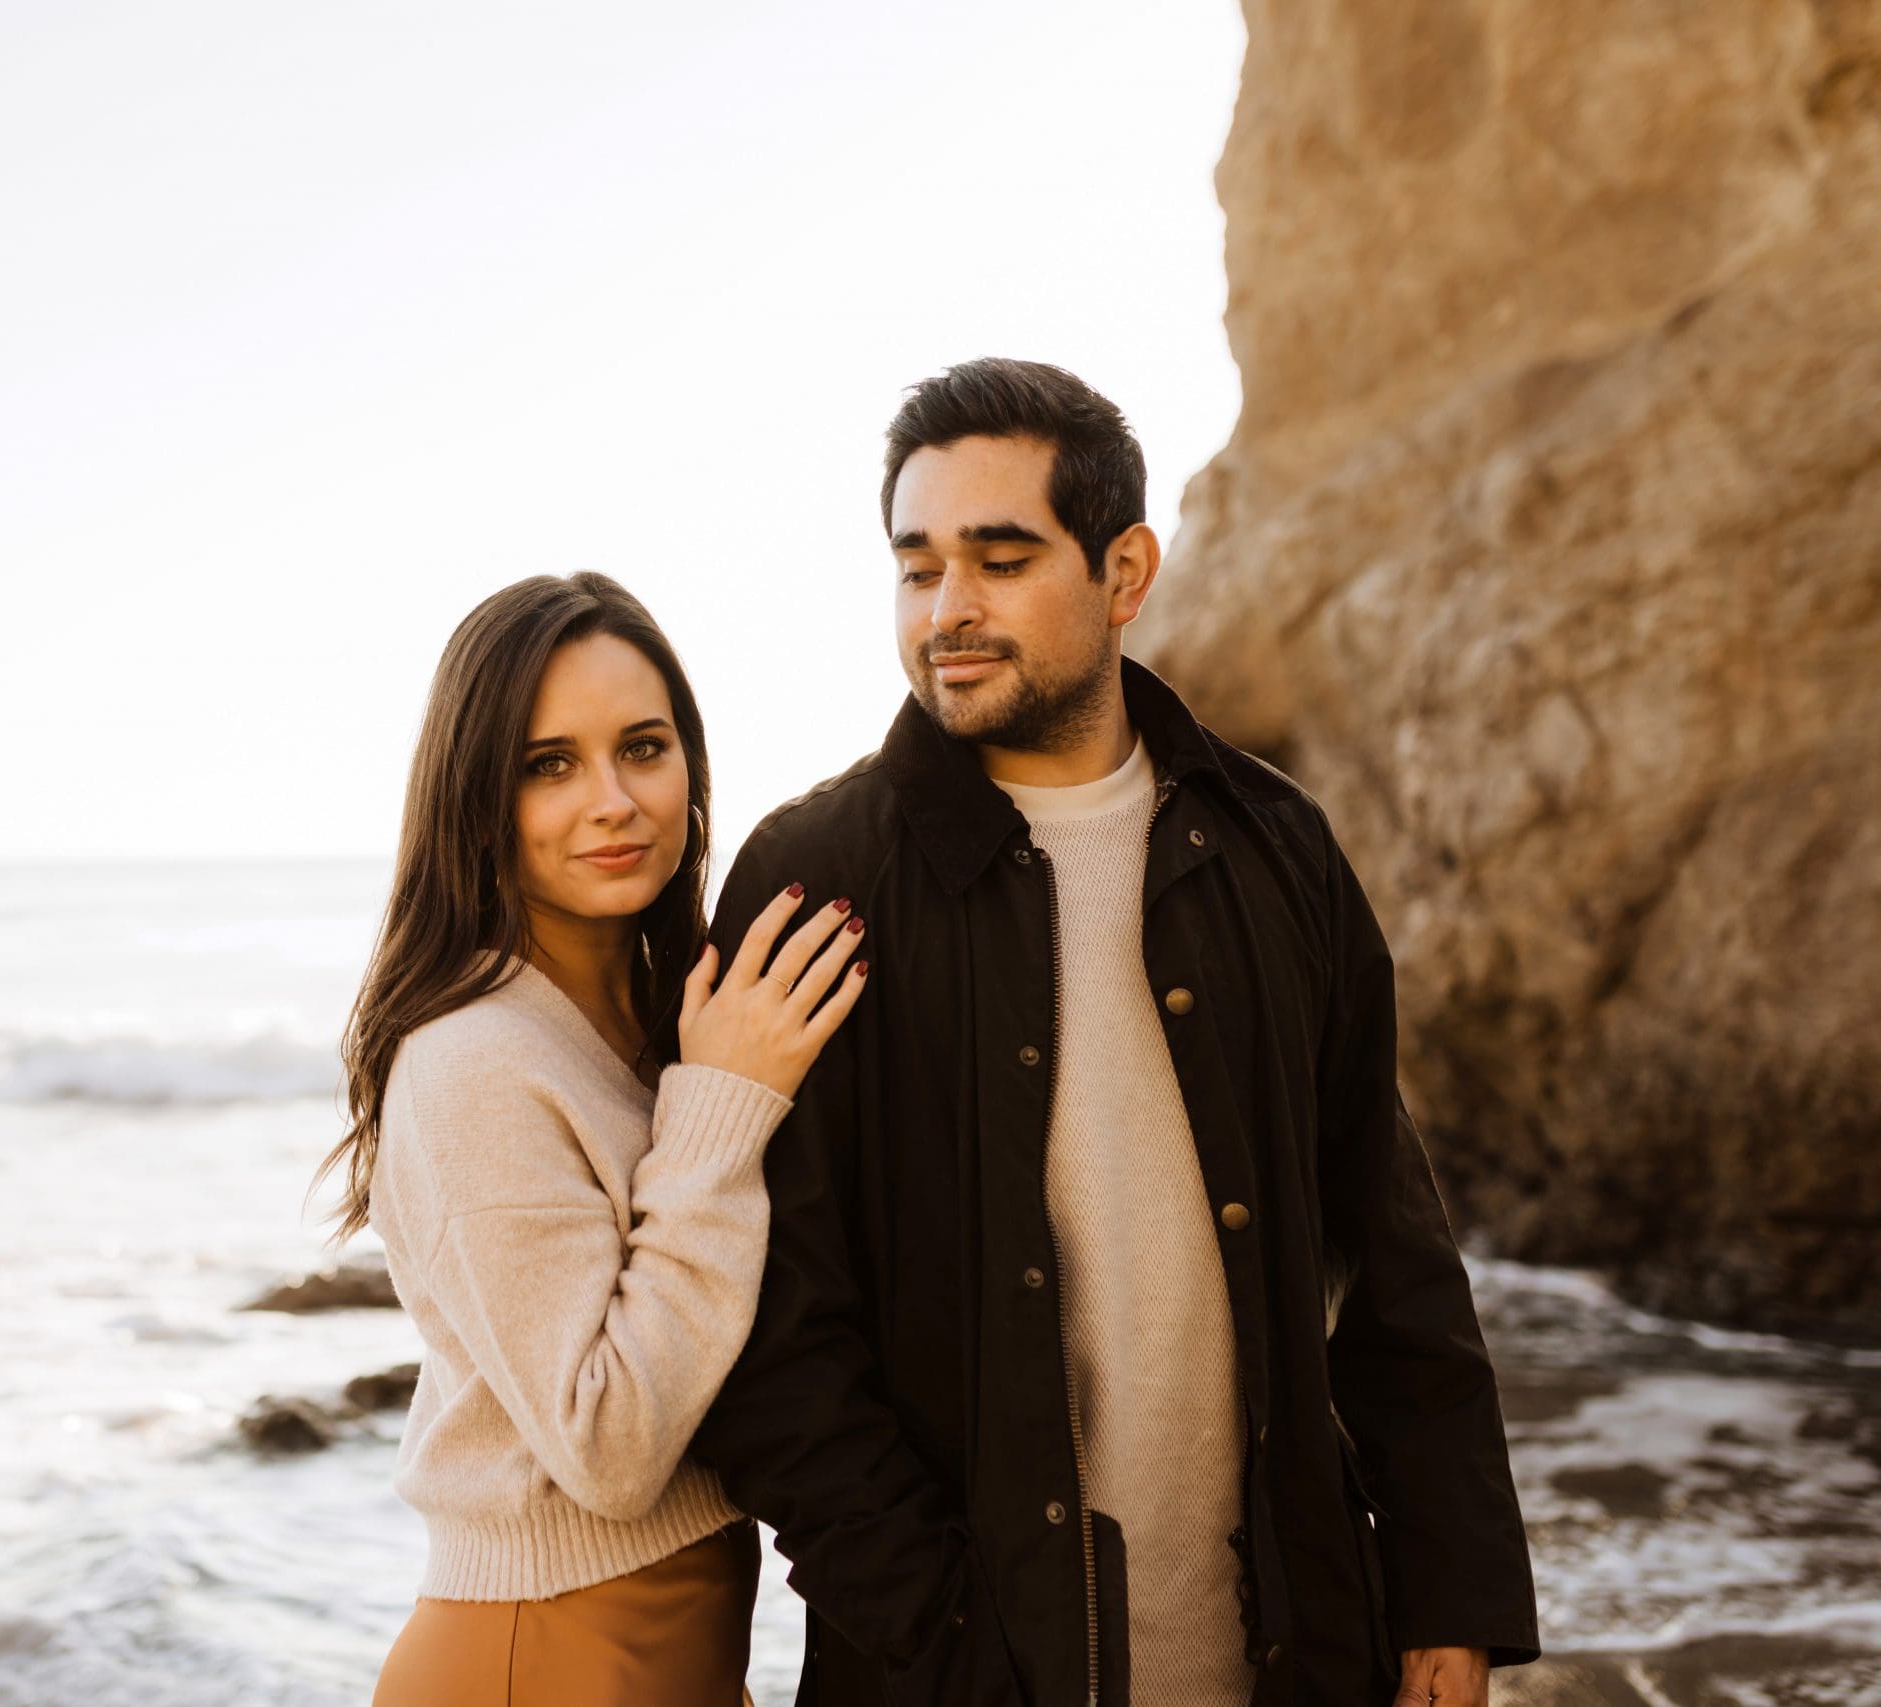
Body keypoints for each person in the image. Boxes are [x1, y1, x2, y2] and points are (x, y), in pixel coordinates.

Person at [691, 359, 1540, 1707]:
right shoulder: (819, 874)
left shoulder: (1275, 846)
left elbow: (1392, 1255)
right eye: (917, 566)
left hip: (1289, 1650)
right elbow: (772, 1328)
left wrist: (1450, 1588)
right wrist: (947, 1636)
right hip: (956, 1668)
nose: (948, 607)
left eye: (1001, 556)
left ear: (1124, 570)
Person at [317, 571, 871, 1707]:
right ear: (475, 796)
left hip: (669, 1650)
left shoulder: (654, 1023)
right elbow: (608, 1447)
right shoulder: (474, 1059)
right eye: (549, 765)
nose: (612, 800)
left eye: (644, 748)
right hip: (543, 1658)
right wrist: (720, 1111)